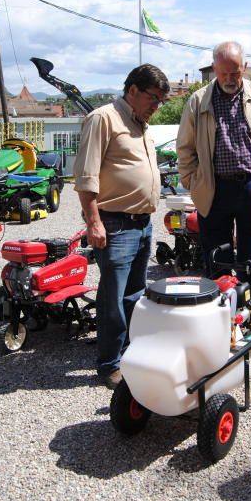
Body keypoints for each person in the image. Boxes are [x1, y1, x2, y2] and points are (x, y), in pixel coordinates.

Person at [74, 64, 170, 389]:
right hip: (114, 224)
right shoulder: (104, 118)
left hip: (142, 225)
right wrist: (93, 222)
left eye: (161, 101)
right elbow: (86, 176)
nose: (156, 105)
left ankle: (132, 355)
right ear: (132, 90)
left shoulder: (140, 124)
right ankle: (109, 365)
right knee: (112, 299)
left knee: (134, 296)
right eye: (153, 98)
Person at [176, 41, 251, 304]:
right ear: (214, 68)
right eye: (223, 73)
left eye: (235, 73)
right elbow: (185, 149)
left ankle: (250, 314)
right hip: (213, 191)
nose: (229, 79)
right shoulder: (198, 101)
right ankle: (219, 316)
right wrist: (195, 185)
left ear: (245, 68)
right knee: (217, 259)